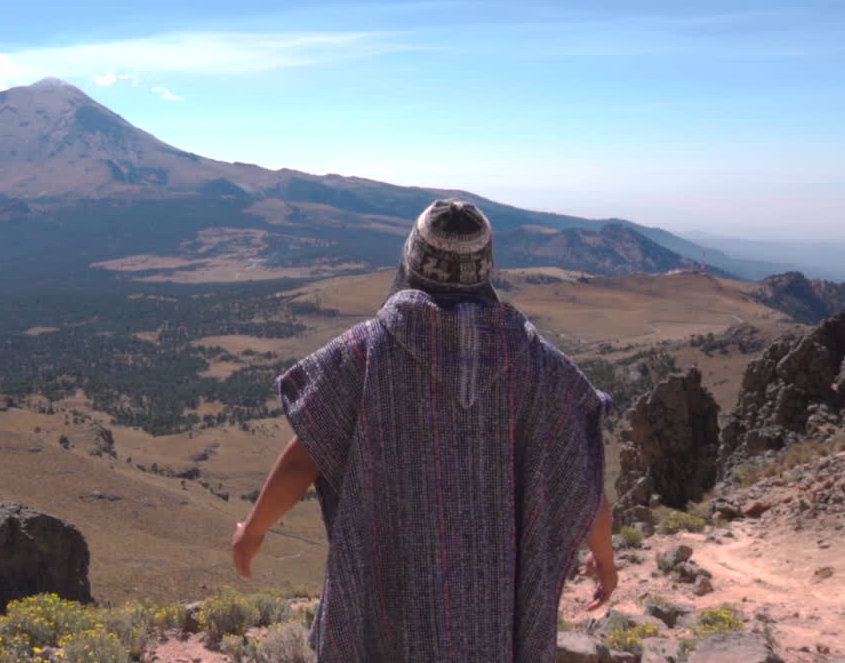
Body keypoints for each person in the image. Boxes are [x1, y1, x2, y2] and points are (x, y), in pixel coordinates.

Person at [231, 199, 617, 662]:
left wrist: (253, 531)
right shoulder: (540, 365)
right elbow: (582, 472)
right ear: (486, 268)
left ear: (412, 258)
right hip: (492, 616)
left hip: (389, 601)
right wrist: (604, 556)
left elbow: (302, 458)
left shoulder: (365, 352)